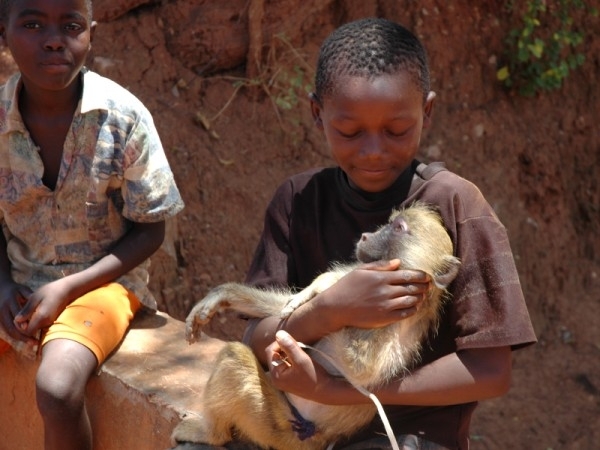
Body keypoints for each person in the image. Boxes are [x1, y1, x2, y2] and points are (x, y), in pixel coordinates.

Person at [203, 17, 537, 450]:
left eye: (397, 130)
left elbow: (491, 371)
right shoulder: (297, 200)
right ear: (317, 114)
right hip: (296, 422)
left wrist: (335, 391)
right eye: (350, 131)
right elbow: (256, 338)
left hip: (406, 434)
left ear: (427, 112)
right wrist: (329, 310)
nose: (374, 150)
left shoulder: (457, 205)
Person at [0, 1, 184, 449]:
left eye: (71, 25)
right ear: (3, 32)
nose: (53, 38)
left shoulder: (123, 118)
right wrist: (3, 287)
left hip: (105, 285)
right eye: (32, 23)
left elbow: (151, 230)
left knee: (58, 388)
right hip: (20, 283)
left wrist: (67, 288)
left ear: (91, 33)